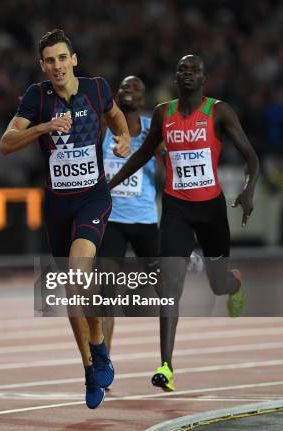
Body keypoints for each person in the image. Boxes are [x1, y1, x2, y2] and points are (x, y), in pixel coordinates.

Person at [108, 54, 259, 392]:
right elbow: (144, 153)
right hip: (176, 208)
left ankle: (233, 283)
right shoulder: (164, 113)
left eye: (194, 70)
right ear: (176, 77)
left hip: (211, 211)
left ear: (204, 79)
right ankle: (166, 365)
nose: (188, 74)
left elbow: (251, 156)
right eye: (182, 70)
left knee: (217, 285)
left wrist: (249, 191)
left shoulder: (219, 111)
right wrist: (111, 183)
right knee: (170, 288)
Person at [0, 29, 130, 409]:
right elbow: (6, 143)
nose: (56, 66)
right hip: (57, 207)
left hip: (92, 198)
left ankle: (99, 347)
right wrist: (43, 127)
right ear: (42, 66)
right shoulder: (36, 97)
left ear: (74, 59)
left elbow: (117, 118)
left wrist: (122, 138)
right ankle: (90, 366)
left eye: (62, 58)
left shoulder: (96, 88)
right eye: (49, 61)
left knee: (77, 274)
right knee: (73, 294)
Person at [99, 75, 159, 358]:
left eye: (135, 87)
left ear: (143, 99)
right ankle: (104, 363)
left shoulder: (152, 130)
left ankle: (165, 359)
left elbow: (173, 162)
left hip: (145, 221)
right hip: (112, 222)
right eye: (123, 86)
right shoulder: (104, 126)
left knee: (165, 290)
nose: (128, 90)